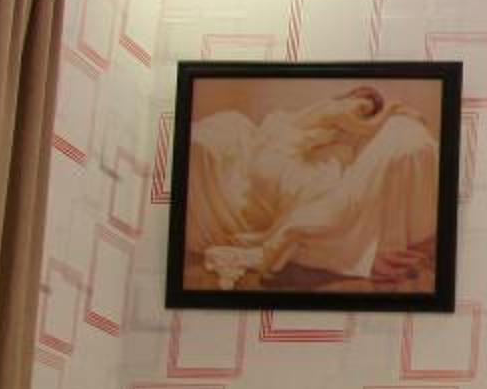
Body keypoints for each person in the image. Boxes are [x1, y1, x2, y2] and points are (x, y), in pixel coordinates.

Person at [182, 83, 441, 292]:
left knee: (327, 196)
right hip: (275, 162)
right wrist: (393, 109)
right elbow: (366, 126)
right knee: (327, 201)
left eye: (367, 109)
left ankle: (309, 233)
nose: (363, 110)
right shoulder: (342, 110)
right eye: (363, 104)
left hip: (274, 161)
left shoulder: (324, 114)